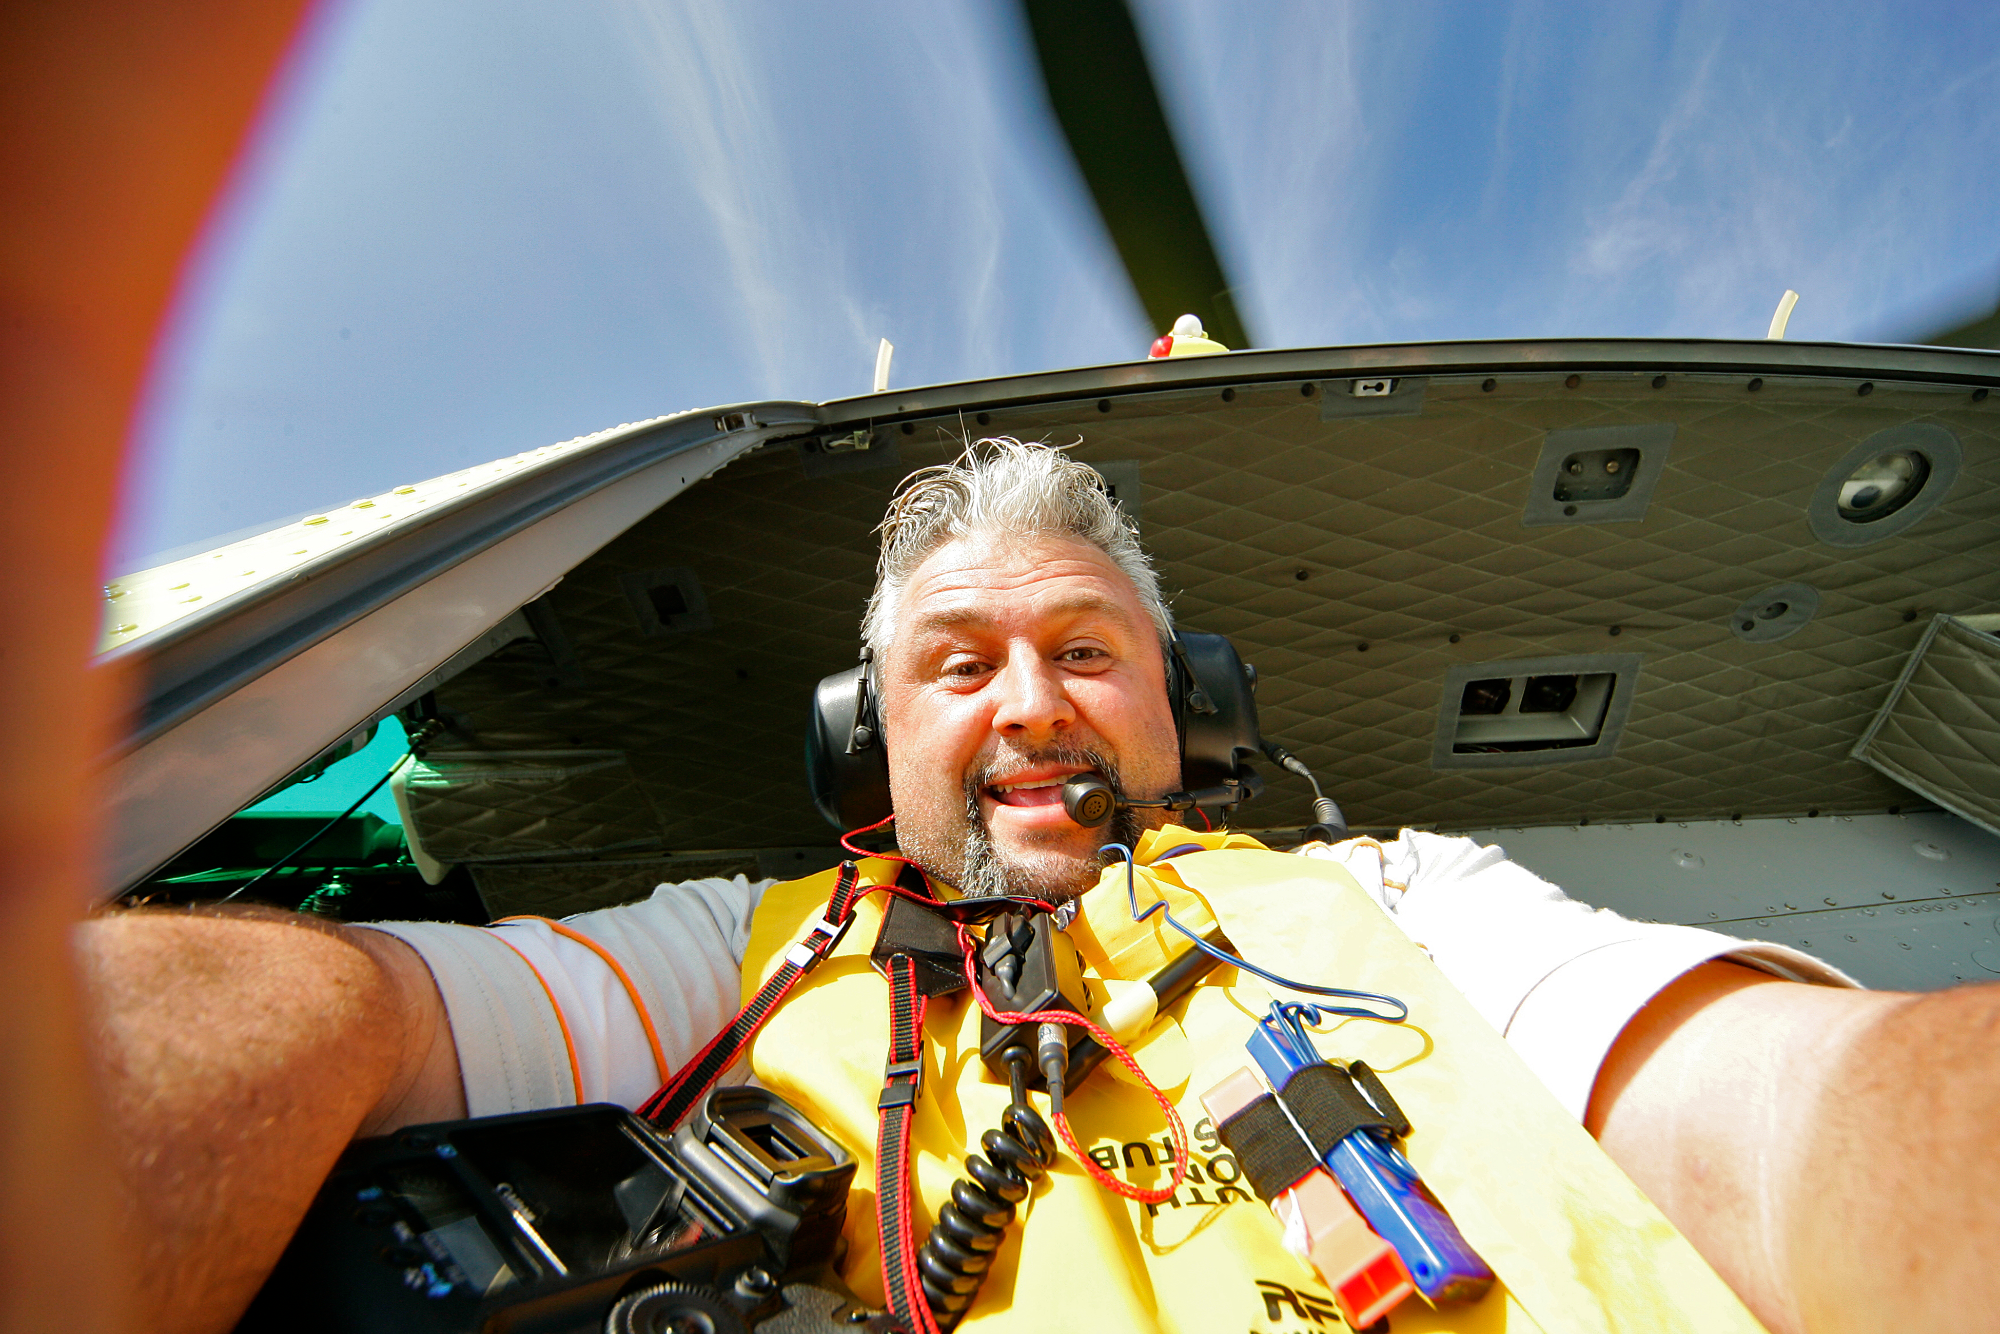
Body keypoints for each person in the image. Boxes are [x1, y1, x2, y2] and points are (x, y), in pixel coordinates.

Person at [81, 439, 2000, 1334]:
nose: (1027, 706)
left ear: (1189, 707)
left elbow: (1795, 1118)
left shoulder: (1418, 897)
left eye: (1088, 651)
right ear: (869, 743)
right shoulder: (737, 946)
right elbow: (380, 1014)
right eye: (958, 664)